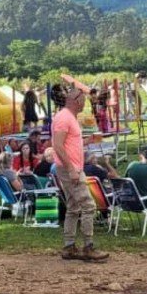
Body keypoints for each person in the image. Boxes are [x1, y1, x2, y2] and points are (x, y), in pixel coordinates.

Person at [51, 88, 109, 262]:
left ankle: (69, 247)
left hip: (72, 168)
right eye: (83, 100)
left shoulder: (68, 117)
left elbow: (68, 143)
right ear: (75, 100)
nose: (85, 104)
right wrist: (71, 169)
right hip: (72, 169)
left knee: (73, 206)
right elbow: (58, 146)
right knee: (88, 205)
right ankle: (88, 247)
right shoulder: (64, 117)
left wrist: (87, 141)